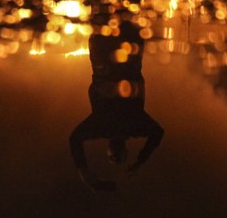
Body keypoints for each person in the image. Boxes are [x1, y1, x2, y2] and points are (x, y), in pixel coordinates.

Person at [69, 19, 164, 191]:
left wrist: (83, 171)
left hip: (104, 58)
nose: (116, 155)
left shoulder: (100, 126)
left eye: (112, 158)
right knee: (130, 11)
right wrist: (139, 162)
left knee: (103, 10)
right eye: (119, 157)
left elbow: (75, 139)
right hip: (127, 56)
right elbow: (157, 133)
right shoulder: (136, 125)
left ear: (107, 151)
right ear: (126, 151)